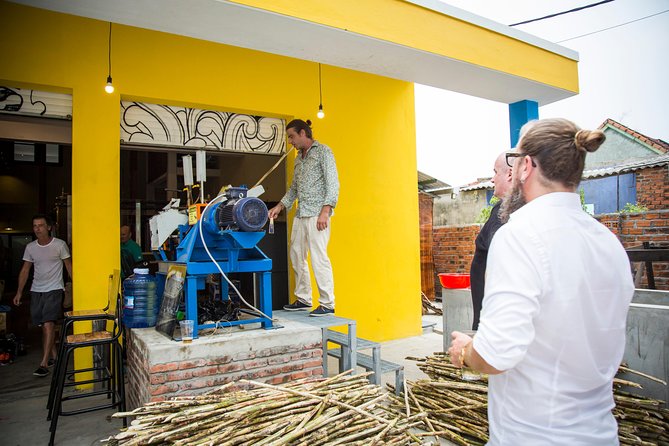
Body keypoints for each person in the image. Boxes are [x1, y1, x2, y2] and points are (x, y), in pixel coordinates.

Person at [448, 118, 634, 444]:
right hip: (601, 434)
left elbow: (496, 354)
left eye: (514, 160)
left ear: (526, 167)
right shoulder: (608, 243)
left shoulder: (519, 236)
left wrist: (465, 352)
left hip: (534, 434)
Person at [268, 119, 339, 317]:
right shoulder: (299, 159)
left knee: (318, 257)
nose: (290, 141)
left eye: (291, 136)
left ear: (302, 133)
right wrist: (280, 206)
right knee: (296, 255)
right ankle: (303, 298)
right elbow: (294, 189)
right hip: (301, 213)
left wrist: (326, 211)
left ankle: (327, 302)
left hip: (318, 213)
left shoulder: (323, 152)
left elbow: (333, 183)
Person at [13, 214, 73, 377]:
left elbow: (69, 266)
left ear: (49, 227)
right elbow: (25, 270)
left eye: (40, 225)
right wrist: (19, 291)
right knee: (44, 326)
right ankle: (55, 356)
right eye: (34, 226)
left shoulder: (59, 245)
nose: (37, 228)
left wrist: (76, 288)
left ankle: (44, 363)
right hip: (36, 290)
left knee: (48, 324)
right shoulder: (31, 247)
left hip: (54, 289)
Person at [469, 151, 512, 330]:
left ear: (509, 174)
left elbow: (498, 263)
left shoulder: (505, 211)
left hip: (493, 322)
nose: (493, 179)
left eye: (495, 172)